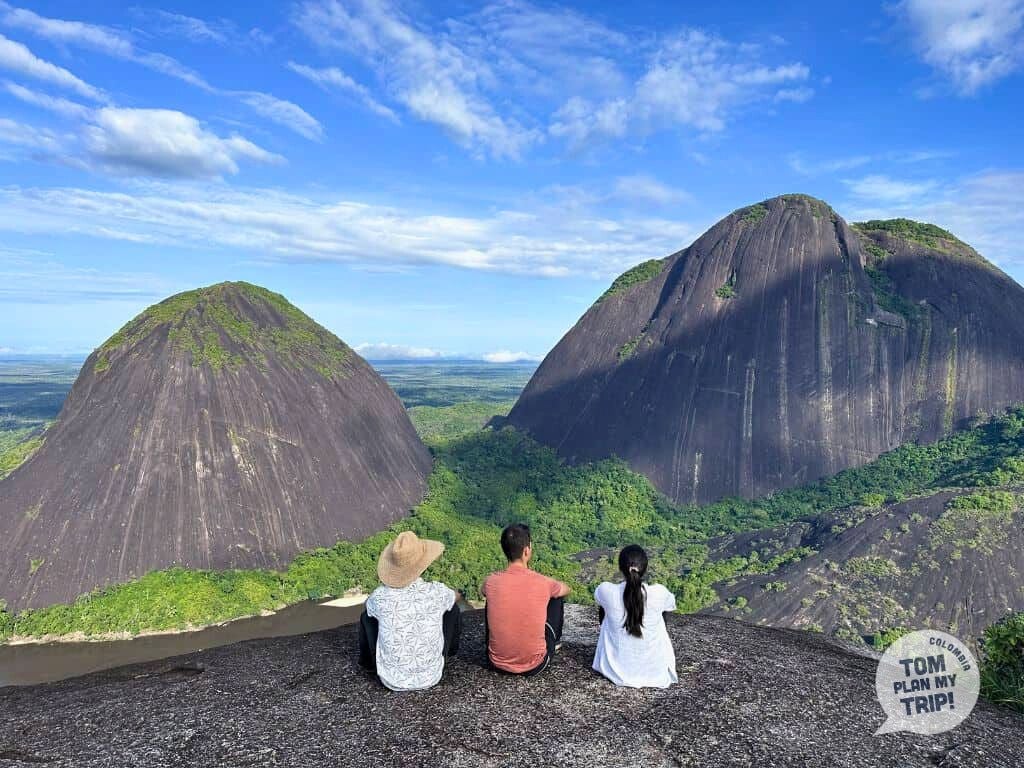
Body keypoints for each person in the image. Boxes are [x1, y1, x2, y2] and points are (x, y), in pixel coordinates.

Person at [358, 530, 461, 692]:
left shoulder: (380, 596)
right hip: (431, 675)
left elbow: (368, 607)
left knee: (367, 616)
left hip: (391, 679)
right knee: (451, 608)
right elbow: (456, 596)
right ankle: (451, 651)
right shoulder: (435, 592)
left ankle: (366, 662)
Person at [482, 523, 571, 675]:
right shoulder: (543, 582)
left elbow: (483, 591)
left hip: (496, 662)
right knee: (556, 598)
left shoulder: (490, 581)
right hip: (535, 665)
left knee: (491, 597)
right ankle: (553, 643)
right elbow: (566, 589)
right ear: (526, 551)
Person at [592, 544, 678, 688]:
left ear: (620, 568)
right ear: (645, 568)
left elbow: (601, 605)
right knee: (661, 612)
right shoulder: (659, 593)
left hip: (613, 669)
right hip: (655, 672)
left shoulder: (606, 590)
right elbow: (670, 606)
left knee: (605, 608)